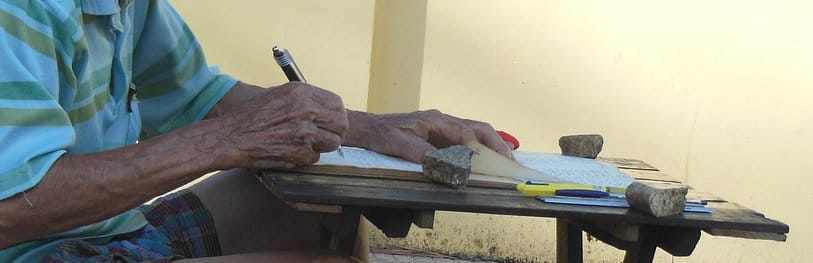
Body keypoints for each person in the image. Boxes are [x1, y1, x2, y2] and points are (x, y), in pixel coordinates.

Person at [0, 0, 513, 262]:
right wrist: (228, 141)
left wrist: (369, 128)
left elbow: (199, 98)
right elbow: (12, 207)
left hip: (109, 235)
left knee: (310, 211)